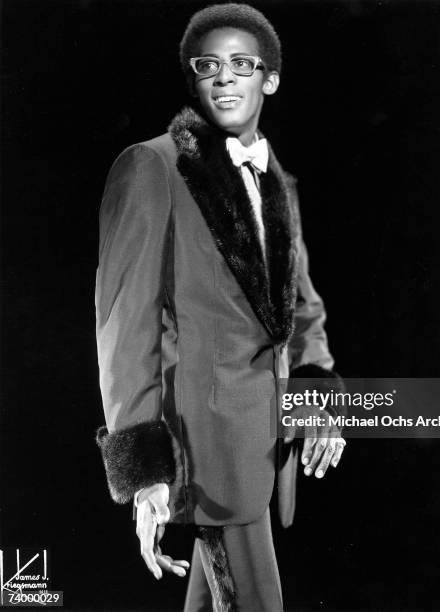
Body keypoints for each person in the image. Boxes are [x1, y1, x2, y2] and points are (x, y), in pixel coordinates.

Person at [95, 4, 346, 610]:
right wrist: (142, 464)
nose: (225, 78)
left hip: (267, 438)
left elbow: (302, 308)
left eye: (242, 64)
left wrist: (318, 398)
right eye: (209, 65)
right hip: (201, 442)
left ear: (270, 78)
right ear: (194, 78)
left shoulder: (277, 182)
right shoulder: (152, 166)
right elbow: (123, 324)